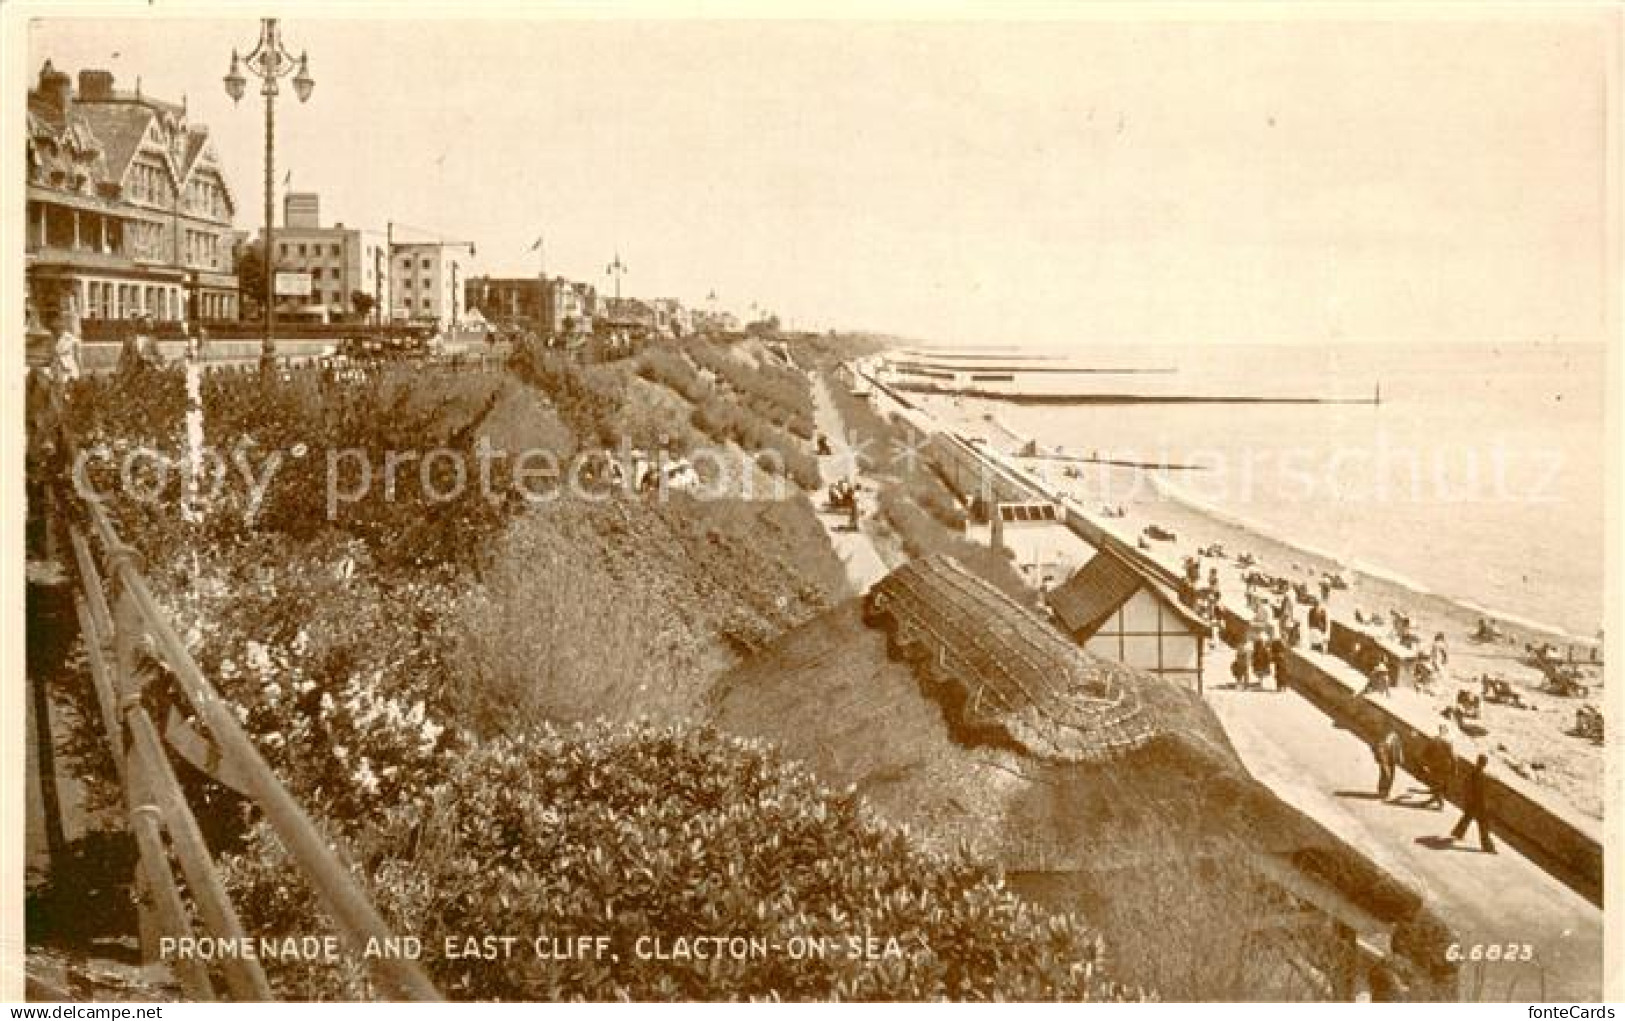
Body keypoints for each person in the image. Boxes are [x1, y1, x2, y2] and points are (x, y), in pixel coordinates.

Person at [1449, 753, 1496, 852]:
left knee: (1467, 818)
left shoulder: (1474, 773)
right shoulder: (1478, 774)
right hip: (1478, 803)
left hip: (1474, 802)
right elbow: (1480, 791)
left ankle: (1458, 832)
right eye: (1483, 763)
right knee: (1483, 825)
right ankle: (1487, 846)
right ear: (1483, 763)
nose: (1483, 764)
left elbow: (1467, 787)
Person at [1421, 724, 1455, 810]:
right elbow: (1453, 757)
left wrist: (1425, 764)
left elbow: (1425, 752)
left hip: (1436, 766)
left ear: (1439, 731)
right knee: (1440, 785)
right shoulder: (1448, 742)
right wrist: (1455, 768)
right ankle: (1439, 803)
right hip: (1445, 767)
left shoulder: (1434, 740)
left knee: (1437, 784)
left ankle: (1437, 802)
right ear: (1446, 732)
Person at [1373, 729, 1405, 799]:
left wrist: (1400, 757)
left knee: (1389, 775)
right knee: (1387, 773)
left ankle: (1385, 792)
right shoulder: (1386, 737)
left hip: (1391, 758)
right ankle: (1383, 791)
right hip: (1386, 757)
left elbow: (1398, 748)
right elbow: (1379, 748)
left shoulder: (1395, 736)